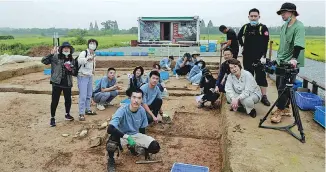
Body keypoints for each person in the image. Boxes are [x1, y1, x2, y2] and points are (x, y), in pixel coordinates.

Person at [106, 87, 160, 172]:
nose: (136, 100)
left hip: (135, 134)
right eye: (134, 97)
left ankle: (133, 147)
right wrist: (126, 137)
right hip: (122, 135)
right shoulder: (122, 110)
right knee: (111, 143)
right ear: (130, 98)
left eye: (139, 98)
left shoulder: (142, 110)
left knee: (155, 147)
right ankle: (111, 160)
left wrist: (142, 144)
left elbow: (142, 129)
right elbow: (110, 128)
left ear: (142, 99)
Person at [271, 2, 305, 123]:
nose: (282, 15)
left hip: (291, 63)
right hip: (281, 60)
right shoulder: (284, 26)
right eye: (281, 13)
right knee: (279, 84)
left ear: (292, 13)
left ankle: (279, 110)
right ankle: (286, 108)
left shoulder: (299, 26)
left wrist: (294, 59)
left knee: (284, 87)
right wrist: (277, 58)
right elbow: (283, 44)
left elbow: (298, 45)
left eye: (284, 12)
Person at [238, 8, 271, 106]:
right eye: (251, 16)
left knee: (261, 76)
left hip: (259, 56)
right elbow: (239, 36)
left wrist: (264, 56)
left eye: (255, 16)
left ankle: (264, 96)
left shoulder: (263, 28)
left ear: (259, 17)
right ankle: (250, 94)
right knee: (248, 75)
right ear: (248, 17)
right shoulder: (245, 27)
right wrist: (242, 45)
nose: (253, 18)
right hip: (247, 56)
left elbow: (266, 42)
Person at [41, 42, 76, 127]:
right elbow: (44, 61)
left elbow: (75, 72)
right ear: (61, 49)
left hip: (67, 83)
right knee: (54, 101)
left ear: (70, 50)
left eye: (68, 48)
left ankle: (67, 114)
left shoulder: (72, 59)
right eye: (64, 48)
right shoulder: (56, 57)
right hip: (56, 82)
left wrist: (70, 69)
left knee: (68, 100)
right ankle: (52, 118)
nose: (66, 49)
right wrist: (50, 54)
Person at [77, 39, 98, 121]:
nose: (92, 45)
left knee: (89, 94)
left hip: (89, 76)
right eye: (91, 43)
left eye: (94, 44)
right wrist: (87, 59)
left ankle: (87, 109)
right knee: (83, 95)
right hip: (83, 76)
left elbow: (93, 65)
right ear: (88, 44)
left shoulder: (94, 54)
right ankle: (81, 113)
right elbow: (79, 61)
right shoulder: (84, 53)